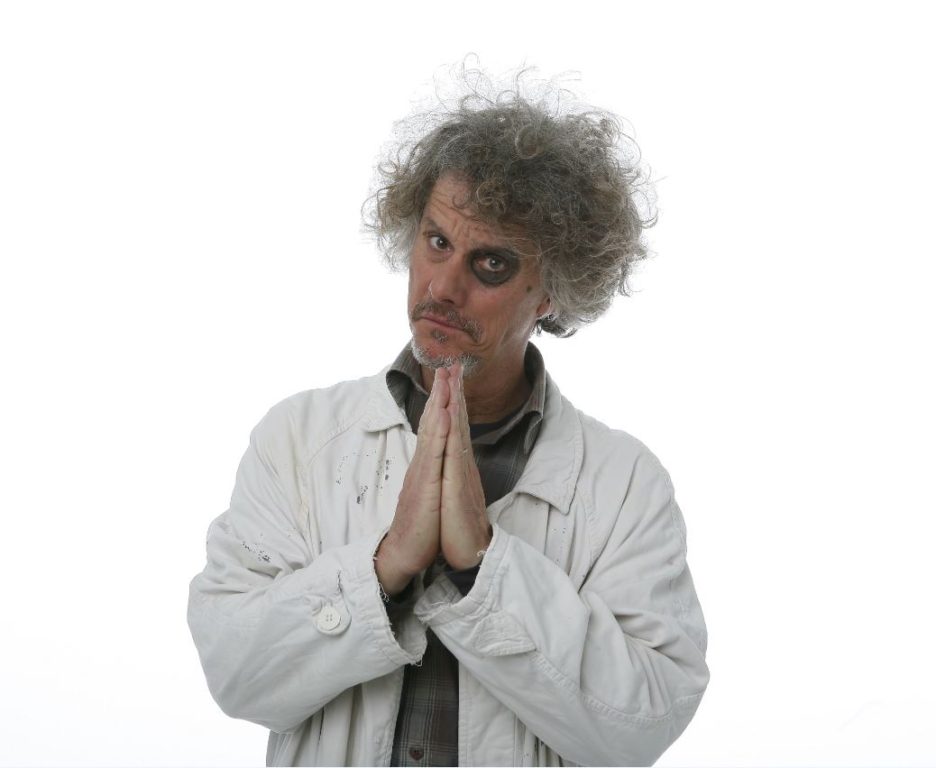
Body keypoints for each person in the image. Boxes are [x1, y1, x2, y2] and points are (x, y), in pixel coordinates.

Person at [188, 71, 709, 766]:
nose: (443, 286)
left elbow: (642, 725)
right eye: (436, 242)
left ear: (551, 292)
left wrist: (483, 567)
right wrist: (383, 568)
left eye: (490, 264)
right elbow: (236, 673)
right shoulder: (298, 440)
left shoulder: (625, 485)